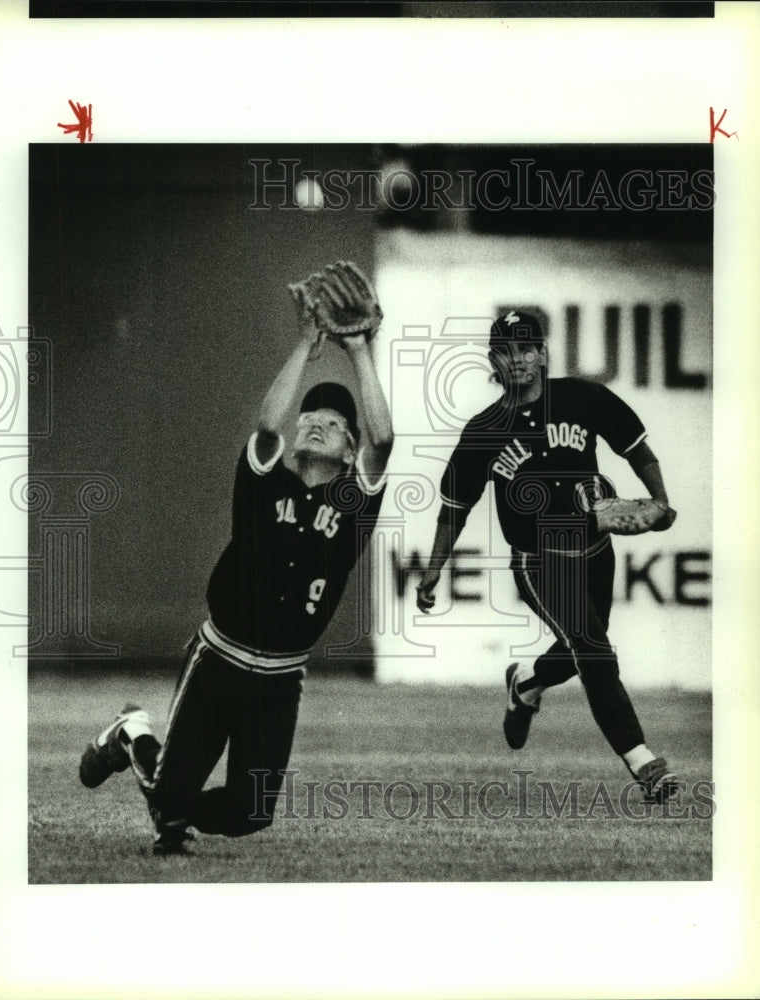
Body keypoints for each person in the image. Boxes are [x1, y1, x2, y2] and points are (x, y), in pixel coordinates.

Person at [79, 268, 393, 854]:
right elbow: (269, 423)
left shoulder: (352, 503)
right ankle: (141, 747)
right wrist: (307, 344)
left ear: (349, 450)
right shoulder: (263, 483)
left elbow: (384, 439)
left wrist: (358, 349)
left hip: (279, 677)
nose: (317, 424)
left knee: (250, 815)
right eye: (312, 419)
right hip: (219, 660)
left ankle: (149, 767)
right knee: (173, 820)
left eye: (333, 425)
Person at [415, 309, 680, 803]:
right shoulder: (484, 430)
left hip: (595, 550)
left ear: (541, 353)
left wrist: (659, 501)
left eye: (525, 349)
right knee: (596, 652)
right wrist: (433, 571)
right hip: (538, 560)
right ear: (493, 360)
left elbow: (637, 449)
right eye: (505, 351)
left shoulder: (583, 397)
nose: (516, 359)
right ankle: (644, 763)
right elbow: (454, 507)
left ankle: (527, 682)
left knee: (583, 650)